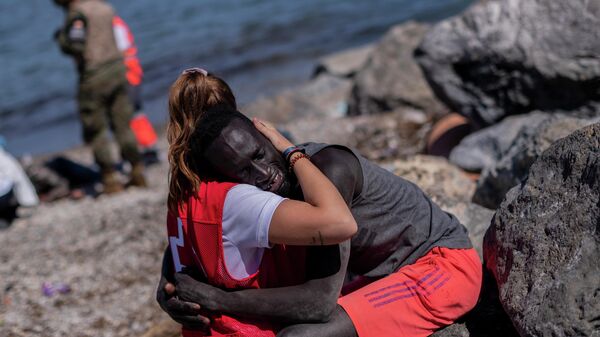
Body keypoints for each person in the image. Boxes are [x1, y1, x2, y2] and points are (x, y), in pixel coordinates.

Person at [157, 70, 483, 337]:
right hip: (384, 274)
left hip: (438, 266)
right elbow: (191, 230)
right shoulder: (251, 183)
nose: (262, 175)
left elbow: (319, 303)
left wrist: (220, 300)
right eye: (243, 173)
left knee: (299, 336)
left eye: (260, 156)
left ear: (269, 136)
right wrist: (169, 288)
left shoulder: (329, 170)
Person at [53, 0, 146, 193]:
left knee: (96, 129)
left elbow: (76, 46)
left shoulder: (77, 14)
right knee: (123, 124)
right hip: (117, 70)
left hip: (94, 75)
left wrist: (61, 39)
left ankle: (110, 178)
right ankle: (137, 169)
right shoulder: (105, 7)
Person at [112, 15, 160, 164]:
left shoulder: (113, 24)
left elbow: (122, 48)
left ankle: (149, 149)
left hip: (128, 74)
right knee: (133, 113)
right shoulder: (112, 21)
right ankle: (144, 149)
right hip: (127, 73)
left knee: (134, 113)